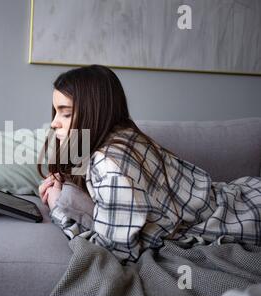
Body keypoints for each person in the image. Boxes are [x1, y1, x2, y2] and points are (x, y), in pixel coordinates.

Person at [37, 65, 261, 263]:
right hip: (239, 194)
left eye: (65, 114)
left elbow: (117, 251)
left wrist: (58, 206)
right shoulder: (123, 136)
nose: (54, 122)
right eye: (56, 111)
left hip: (243, 215)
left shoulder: (108, 164)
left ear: (95, 113)